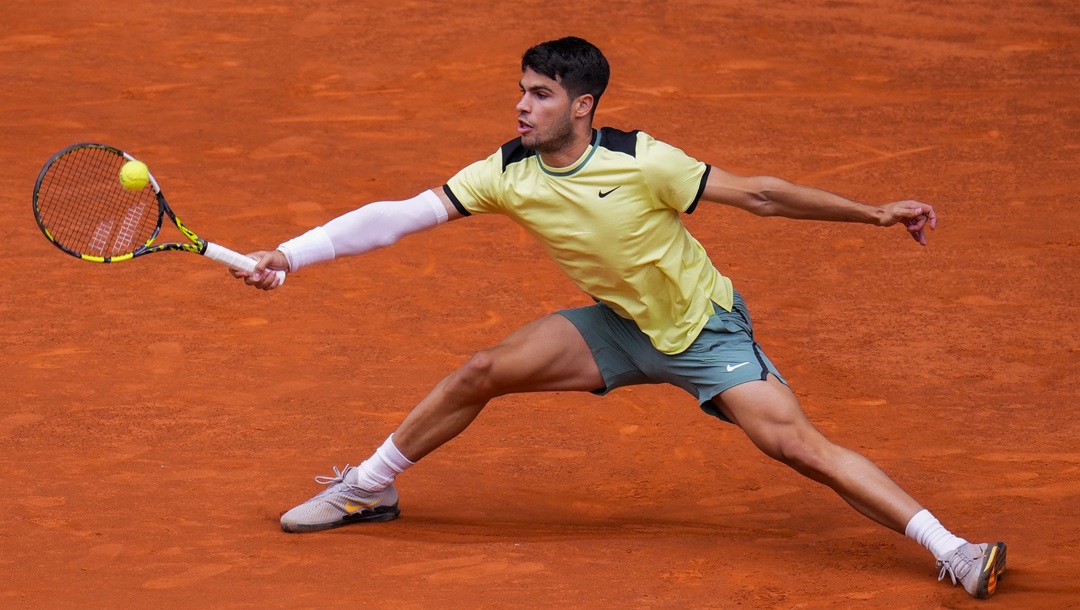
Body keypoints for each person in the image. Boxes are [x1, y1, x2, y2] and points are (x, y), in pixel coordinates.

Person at [233, 37, 1005, 600]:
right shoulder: (507, 172)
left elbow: (761, 194)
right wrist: (291, 255)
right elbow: (400, 216)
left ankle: (954, 550)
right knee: (482, 371)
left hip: (704, 330)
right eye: (521, 91)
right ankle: (370, 487)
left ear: (583, 105)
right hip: (617, 328)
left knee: (797, 447)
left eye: (538, 94)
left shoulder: (642, 161)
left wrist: (873, 213)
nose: (521, 106)